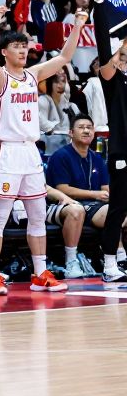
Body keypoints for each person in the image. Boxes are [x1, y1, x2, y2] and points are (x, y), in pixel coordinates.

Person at [0, 5, 88, 295]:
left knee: (38, 213)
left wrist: (77, 24)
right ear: (5, 51)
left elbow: (66, 56)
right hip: (7, 151)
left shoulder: (32, 75)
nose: (22, 51)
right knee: (0, 213)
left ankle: (40, 272)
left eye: (24, 46)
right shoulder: (0, 78)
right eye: (16, 47)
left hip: (30, 152)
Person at [46, 114, 122, 278]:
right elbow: (62, 188)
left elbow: (105, 188)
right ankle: (71, 262)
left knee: (118, 209)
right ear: (71, 133)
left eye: (89, 127)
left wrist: (112, 196)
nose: (86, 131)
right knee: (81, 211)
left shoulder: (97, 158)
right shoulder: (60, 156)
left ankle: (120, 258)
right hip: (60, 205)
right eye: (81, 127)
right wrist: (95, 194)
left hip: (93, 206)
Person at [94, 0, 127, 282]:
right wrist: (100, 11)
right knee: (119, 207)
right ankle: (109, 264)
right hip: (122, 153)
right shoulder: (112, 80)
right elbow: (105, 53)